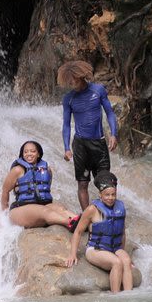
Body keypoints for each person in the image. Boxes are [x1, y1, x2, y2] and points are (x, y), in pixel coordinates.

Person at [59, 61, 119, 211]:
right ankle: (88, 217)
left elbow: (110, 113)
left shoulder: (98, 90)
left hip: (98, 143)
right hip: (80, 145)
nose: (73, 84)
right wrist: (66, 148)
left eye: (75, 80)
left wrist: (113, 134)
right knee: (82, 183)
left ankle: (108, 213)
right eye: (70, 82)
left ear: (82, 76)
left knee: (106, 181)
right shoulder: (68, 99)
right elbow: (66, 124)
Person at [65, 171, 133, 293]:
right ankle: (116, 297)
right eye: (107, 195)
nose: (111, 198)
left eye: (113, 194)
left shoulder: (120, 207)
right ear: (100, 194)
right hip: (96, 250)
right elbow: (78, 232)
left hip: (114, 248)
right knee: (116, 263)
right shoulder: (92, 210)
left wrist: (122, 250)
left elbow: (122, 233)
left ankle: (129, 296)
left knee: (126, 261)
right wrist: (72, 254)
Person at [0, 140, 81, 230]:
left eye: (33, 151)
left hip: (42, 205)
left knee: (61, 209)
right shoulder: (17, 170)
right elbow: (5, 191)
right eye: (25, 152)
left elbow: (46, 188)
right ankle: (69, 223)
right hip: (20, 209)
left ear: (38, 154)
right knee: (44, 211)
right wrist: (5, 215)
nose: (29, 154)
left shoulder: (47, 170)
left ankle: (81, 222)